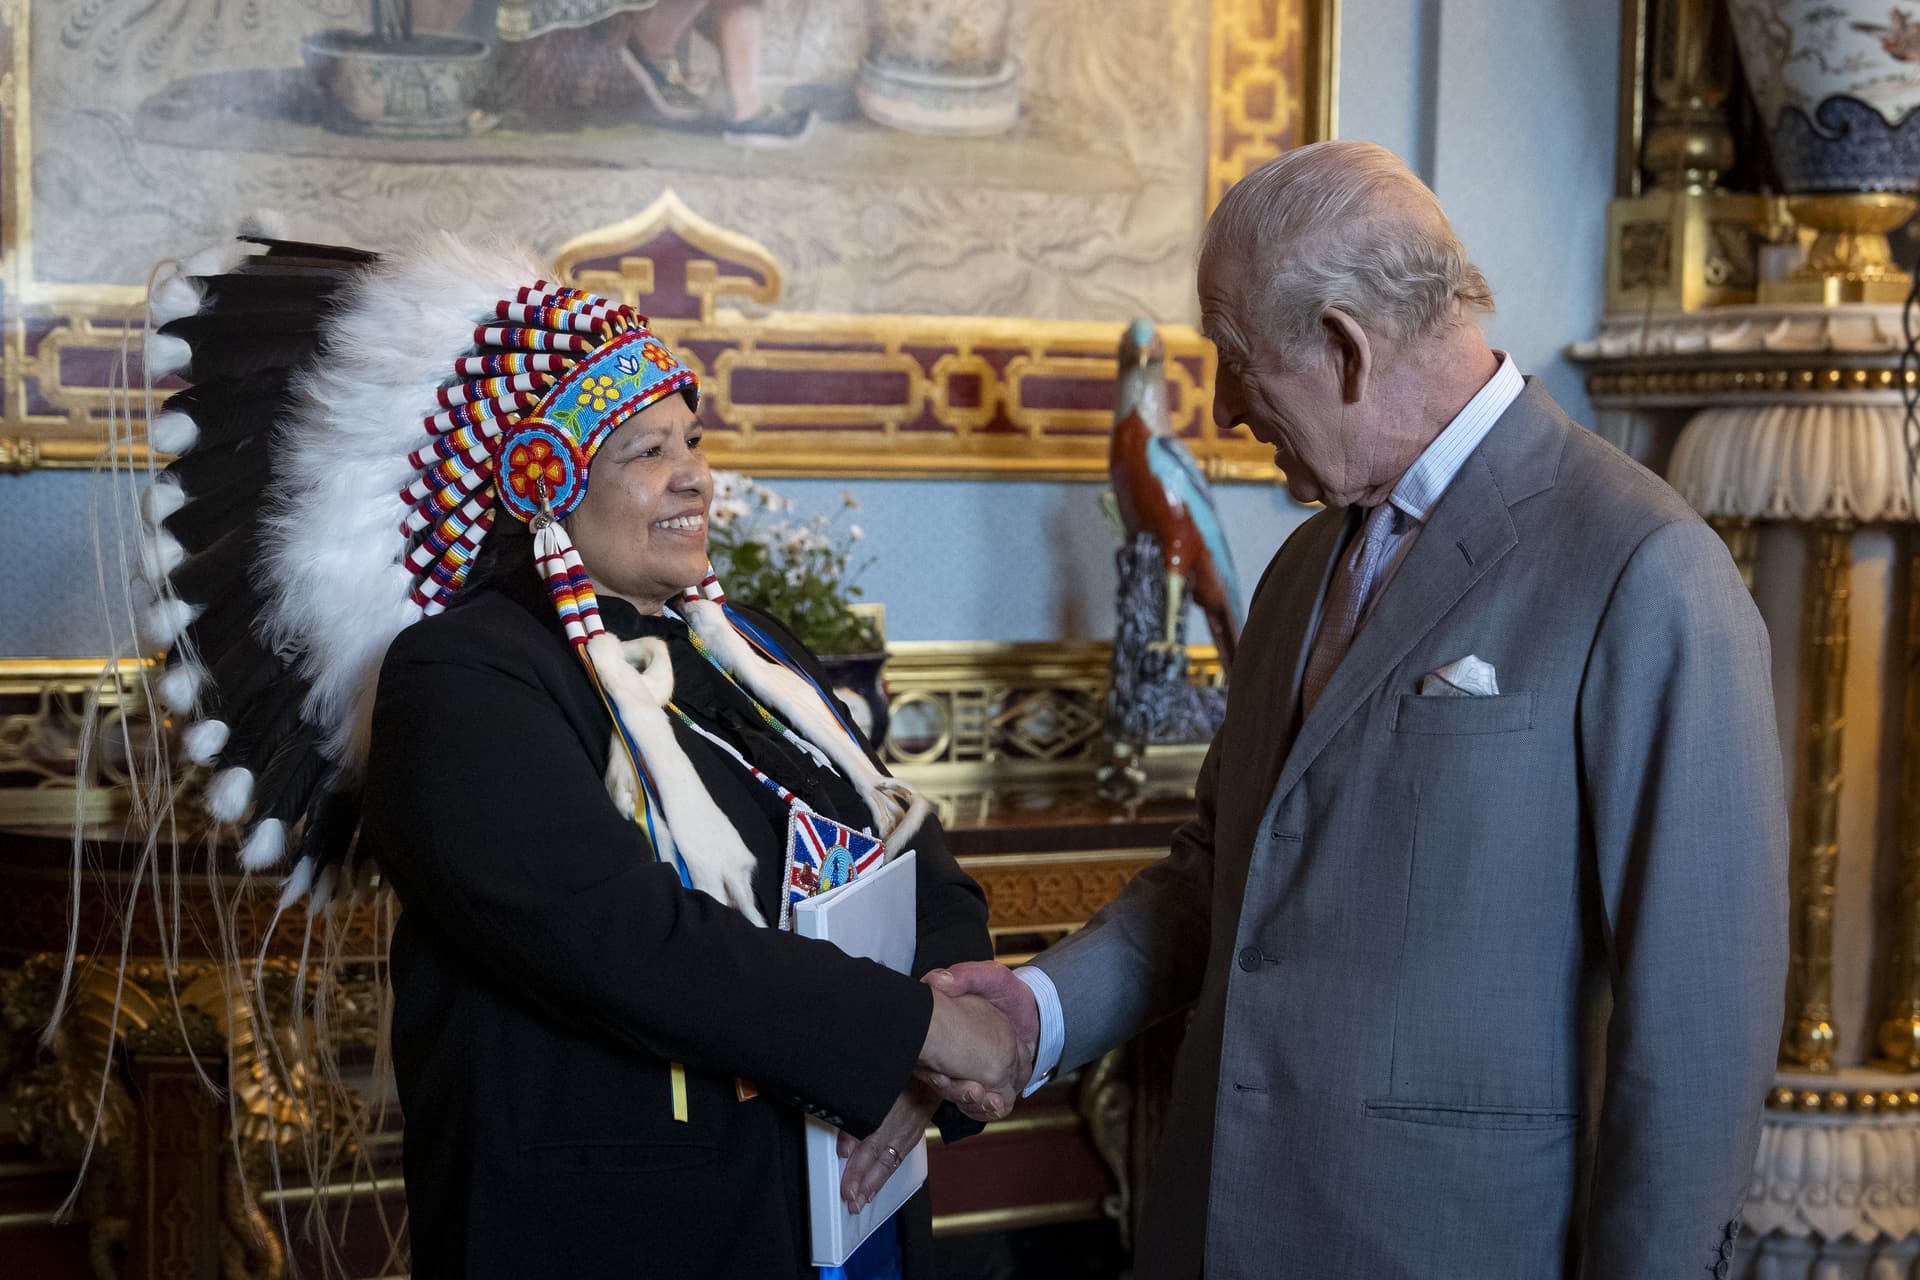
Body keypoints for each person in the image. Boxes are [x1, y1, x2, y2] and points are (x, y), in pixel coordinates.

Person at [924, 140, 1788, 1279]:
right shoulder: (1299, 568)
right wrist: (1037, 1011)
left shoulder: (1646, 565)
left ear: (1344, 347)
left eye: (1237, 361)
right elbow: (1219, 872)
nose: (1224, 409)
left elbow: (1700, 1033)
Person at [113, 231, 1007, 1278]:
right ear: (545, 479)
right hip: (637, 1236)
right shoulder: (460, 679)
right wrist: (916, 1035)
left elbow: (914, 853)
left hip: (851, 1211)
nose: (696, 477)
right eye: (648, 453)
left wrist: (932, 1045)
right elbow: (629, 942)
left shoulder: (754, 651)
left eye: (692, 441)